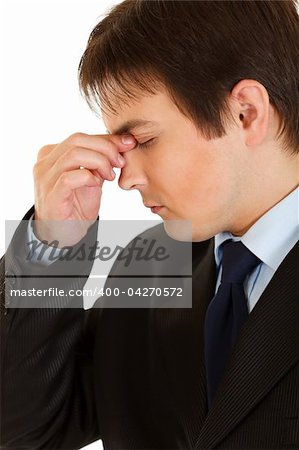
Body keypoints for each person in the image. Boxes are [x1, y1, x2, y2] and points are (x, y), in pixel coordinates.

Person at [1, 0, 298, 449]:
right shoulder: (151, 265)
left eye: (144, 140)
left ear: (246, 113)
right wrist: (51, 250)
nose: (126, 177)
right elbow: (23, 428)